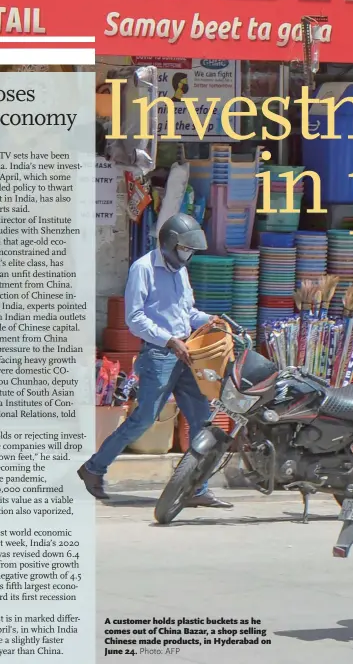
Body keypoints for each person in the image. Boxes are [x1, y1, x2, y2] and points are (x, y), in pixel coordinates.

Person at [78, 213, 233, 508]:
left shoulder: (181, 271)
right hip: (159, 355)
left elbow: (186, 314)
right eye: (184, 249)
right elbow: (134, 318)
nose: (187, 256)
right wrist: (168, 340)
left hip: (186, 354)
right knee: (143, 419)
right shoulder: (143, 269)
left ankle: (196, 488)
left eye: (190, 251)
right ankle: (93, 469)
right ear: (169, 244)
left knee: (202, 421)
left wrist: (209, 319)